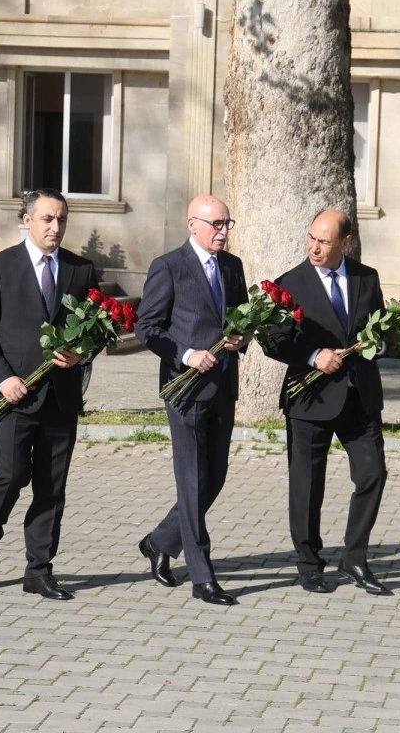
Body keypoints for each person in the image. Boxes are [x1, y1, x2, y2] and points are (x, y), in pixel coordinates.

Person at [0, 189, 99, 601]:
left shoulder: (81, 270)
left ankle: (38, 570)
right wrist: (3, 378)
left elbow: (97, 329)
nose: (55, 227)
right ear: (27, 220)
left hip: (61, 396)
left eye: (62, 219)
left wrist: (81, 353)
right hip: (15, 395)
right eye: (47, 219)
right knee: (11, 474)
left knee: (51, 485)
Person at [263, 209, 392, 596]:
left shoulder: (367, 278)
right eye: (311, 238)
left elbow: (380, 330)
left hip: (359, 397)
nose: (314, 247)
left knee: (372, 475)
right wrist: (312, 355)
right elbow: (273, 340)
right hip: (310, 398)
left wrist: (379, 343)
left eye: (324, 241)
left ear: (345, 243)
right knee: (306, 487)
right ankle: (309, 564)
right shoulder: (290, 284)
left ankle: (354, 558)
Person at [134, 195, 249, 606]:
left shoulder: (232, 267)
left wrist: (240, 339)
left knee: (213, 478)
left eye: (227, 223)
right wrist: (185, 355)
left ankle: (159, 541)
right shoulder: (169, 267)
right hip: (185, 389)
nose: (223, 231)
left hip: (223, 385)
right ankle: (203, 577)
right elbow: (147, 327)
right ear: (192, 224)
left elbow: (242, 320)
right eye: (216, 224)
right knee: (192, 479)